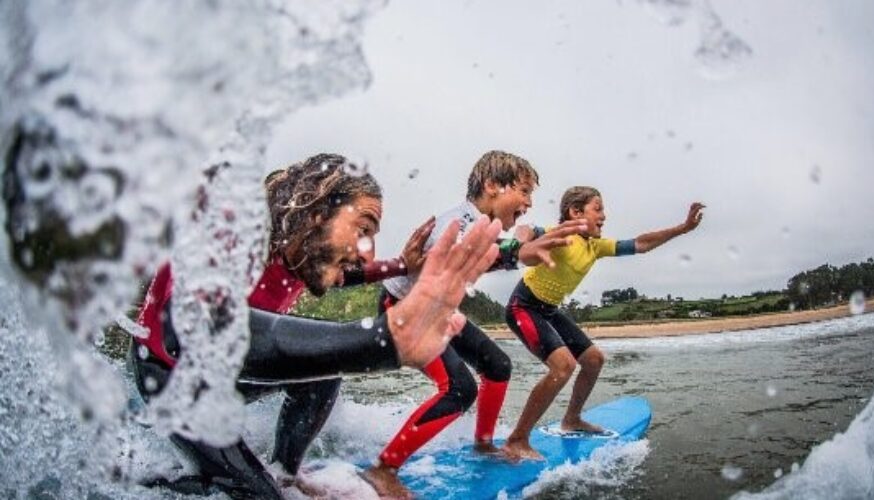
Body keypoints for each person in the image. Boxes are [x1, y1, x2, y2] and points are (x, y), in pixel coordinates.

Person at [130, 153, 502, 500]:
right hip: (173, 377)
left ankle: (285, 471)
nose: (366, 250)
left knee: (324, 373)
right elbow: (190, 330)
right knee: (259, 495)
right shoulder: (236, 231)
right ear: (315, 210)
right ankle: (139, 483)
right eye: (363, 227)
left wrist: (402, 266)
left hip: (227, 374)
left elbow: (350, 275)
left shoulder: (300, 252)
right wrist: (384, 338)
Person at [365, 151, 588, 497]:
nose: (529, 202)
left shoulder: (484, 226)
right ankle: (383, 469)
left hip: (437, 310)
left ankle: (483, 444)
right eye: (524, 191)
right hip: (404, 309)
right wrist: (516, 252)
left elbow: (486, 253)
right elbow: (459, 252)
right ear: (493, 186)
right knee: (459, 388)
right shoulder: (457, 222)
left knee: (497, 365)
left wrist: (517, 249)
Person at [501, 186, 705, 460]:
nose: (604, 216)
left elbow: (641, 244)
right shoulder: (561, 233)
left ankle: (571, 419)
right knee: (563, 366)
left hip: (548, 309)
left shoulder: (594, 246)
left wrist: (682, 228)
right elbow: (526, 229)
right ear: (575, 212)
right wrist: (517, 245)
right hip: (523, 306)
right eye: (598, 209)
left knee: (594, 359)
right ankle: (517, 439)